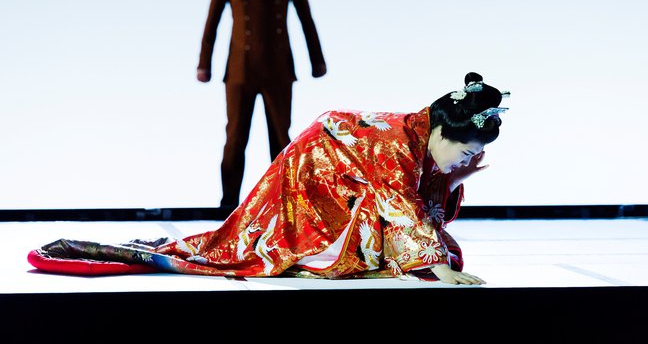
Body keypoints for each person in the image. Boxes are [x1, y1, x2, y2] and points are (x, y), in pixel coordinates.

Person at [27, 72, 509, 285]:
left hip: (340, 175)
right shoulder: (397, 144)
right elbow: (400, 205)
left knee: (431, 249)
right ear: (443, 131)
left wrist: (450, 191)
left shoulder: (422, 138)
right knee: (252, 249)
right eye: (465, 151)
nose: (464, 161)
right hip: (312, 174)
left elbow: (413, 201)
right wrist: (437, 267)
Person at [198, 0, 327, 210]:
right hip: (240, 70)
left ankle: (284, 203)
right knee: (235, 138)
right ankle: (228, 204)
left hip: (278, 69)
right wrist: (204, 63)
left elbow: (305, 17)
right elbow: (212, 21)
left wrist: (317, 60)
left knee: (281, 138)